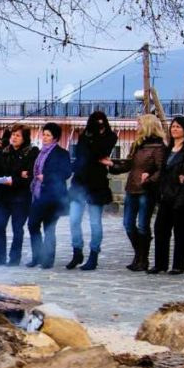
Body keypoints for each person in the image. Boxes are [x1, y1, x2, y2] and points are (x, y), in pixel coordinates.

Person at [106, 113, 166, 272]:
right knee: (128, 224)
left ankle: (143, 258)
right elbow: (128, 164)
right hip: (132, 188)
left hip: (146, 190)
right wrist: (112, 164)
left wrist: (149, 178)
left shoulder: (159, 148)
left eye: (139, 124)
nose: (137, 127)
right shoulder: (137, 145)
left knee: (142, 225)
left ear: (147, 126)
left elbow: (161, 170)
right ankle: (139, 254)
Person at [66, 111, 118, 271]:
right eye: (96, 122)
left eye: (102, 122)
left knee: (95, 222)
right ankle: (77, 251)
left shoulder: (110, 137)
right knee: (74, 220)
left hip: (97, 184)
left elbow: (100, 152)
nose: (99, 125)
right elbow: (82, 156)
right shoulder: (84, 136)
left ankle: (93, 255)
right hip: (80, 183)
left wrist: (96, 138)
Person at [149, 115, 184, 275]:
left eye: (178, 127)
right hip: (166, 197)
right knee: (160, 230)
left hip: (182, 199)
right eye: (173, 126)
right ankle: (160, 264)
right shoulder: (168, 150)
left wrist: (181, 200)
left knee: (180, 233)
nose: (174, 129)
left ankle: (178, 265)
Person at [0, 123, 38, 266]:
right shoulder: (2, 153)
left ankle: (15, 258)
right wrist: (17, 174)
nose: (14, 138)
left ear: (25, 138)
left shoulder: (31, 152)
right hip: (3, 196)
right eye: (13, 135)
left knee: (17, 228)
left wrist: (13, 179)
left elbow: (29, 176)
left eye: (18, 135)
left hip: (21, 198)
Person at [26, 122, 72, 269]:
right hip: (38, 194)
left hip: (53, 197)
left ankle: (48, 259)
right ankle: (37, 256)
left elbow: (66, 173)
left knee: (49, 228)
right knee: (33, 225)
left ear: (55, 138)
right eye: (44, 134)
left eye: (48, 135)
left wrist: (47, 177)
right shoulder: (41, 153)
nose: (45, 137)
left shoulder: (62, 153)